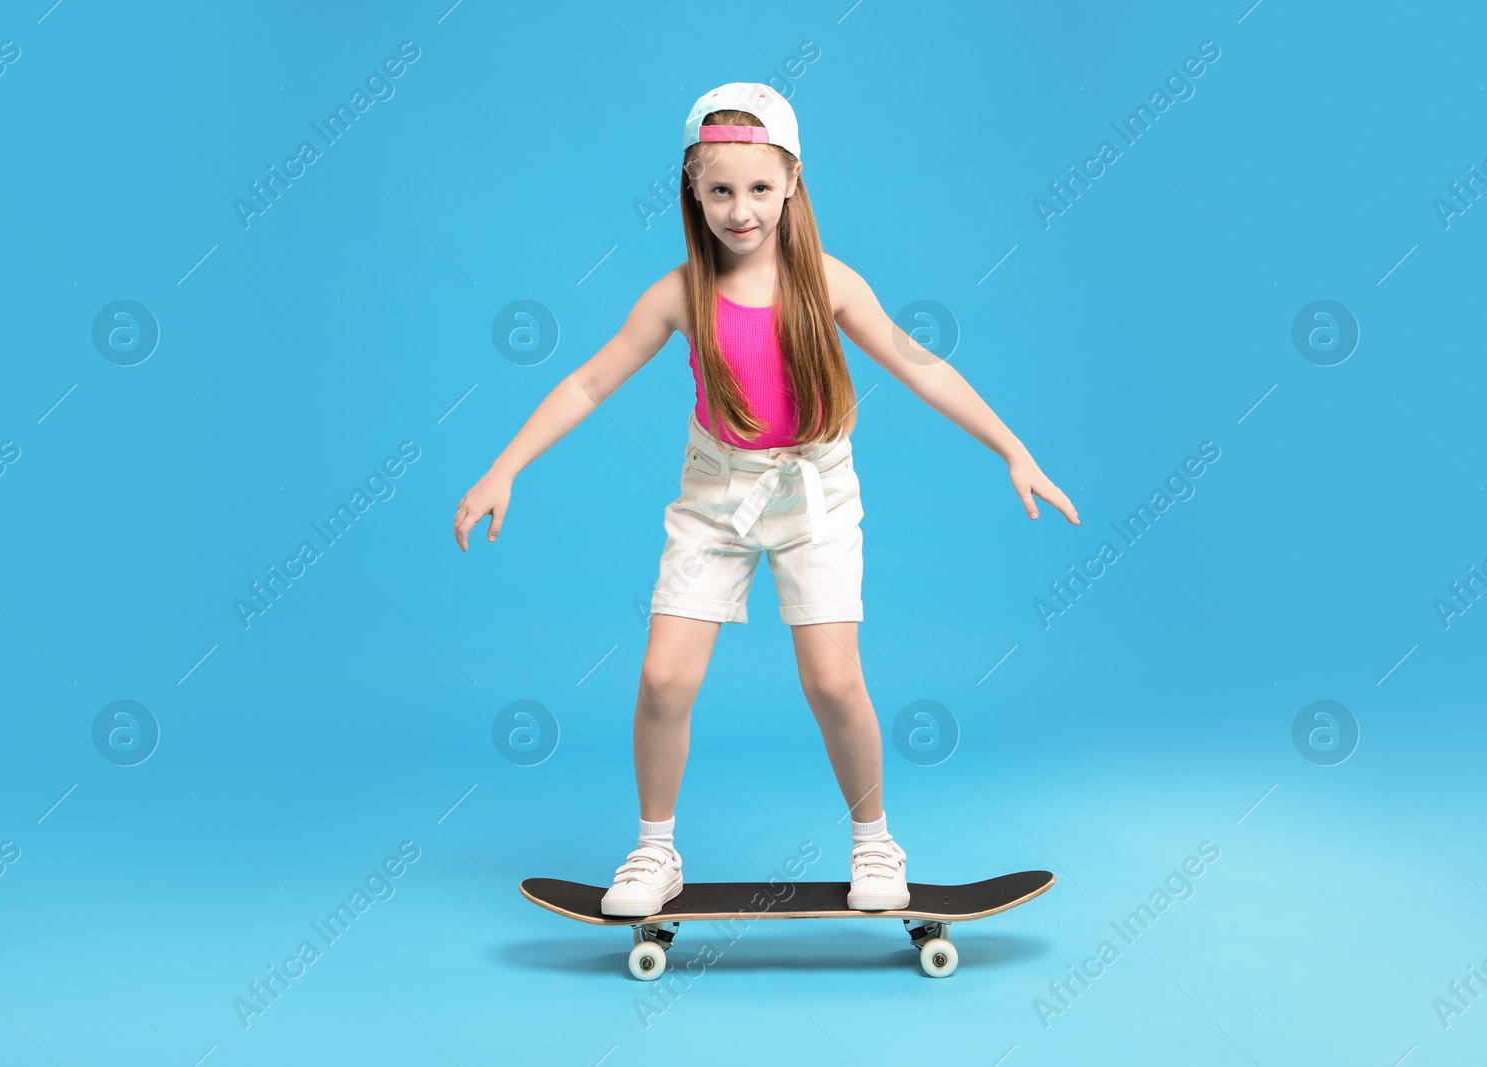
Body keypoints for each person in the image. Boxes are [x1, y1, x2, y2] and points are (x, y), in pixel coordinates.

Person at [453, 82, 1079, 918]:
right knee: (663, 679)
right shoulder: (679, 293)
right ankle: (653, 850)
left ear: (793, 182)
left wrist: (1013, 447)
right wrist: (506, 466)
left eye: (757, 187)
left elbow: (920, 366)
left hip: (814, 489)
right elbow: (591, 378)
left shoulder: (829, 282)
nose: (739, 209)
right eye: (719, 190)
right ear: (691, 191)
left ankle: (875, 839)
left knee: (831, 681)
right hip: (716, 490)